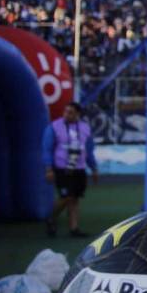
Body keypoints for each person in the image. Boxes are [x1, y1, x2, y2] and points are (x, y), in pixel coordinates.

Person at [42, 101, 98, 237]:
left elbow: (89, 150)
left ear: (78, 114)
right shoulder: (54, 127)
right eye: (66, 111)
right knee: (66, 196)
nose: (67, 114)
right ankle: (51, 217)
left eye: (71, 112)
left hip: (79, 168)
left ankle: (74, 228)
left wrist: (94, 168)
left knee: (74, 198)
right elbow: (47, 149)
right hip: (62, 168)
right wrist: (48, 168)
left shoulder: (85, 128)